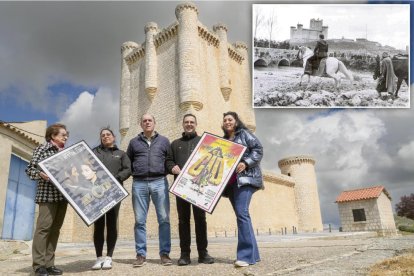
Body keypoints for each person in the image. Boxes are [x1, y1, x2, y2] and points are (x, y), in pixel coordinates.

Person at [166, 114, 215, 266]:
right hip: (182, 188)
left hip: (199, 187)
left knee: (201, 220)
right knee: (183, 220)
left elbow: (214, 162)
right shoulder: (175, 144)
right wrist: (171, 167)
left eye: (191, 122)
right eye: (186, 122)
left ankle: (203, 253)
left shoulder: (204, 142)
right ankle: (185, 254)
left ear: (196, 124)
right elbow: (168, 160)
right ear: (183, 124)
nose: (189, 124)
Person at [127, 114, 172, 267]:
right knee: (140, 221)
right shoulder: (133, 142)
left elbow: (169, 160)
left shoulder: (164, 141)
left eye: (150, 120)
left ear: (154, 123)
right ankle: (141, 254)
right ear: (141, 124)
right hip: (139, 183)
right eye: (144, 121)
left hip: (160, 182)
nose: (147, 122)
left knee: (164, 219)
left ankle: (165, 254)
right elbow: (129, 162)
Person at [25, 124, 69, 276]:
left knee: (55, 230)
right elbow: (30, 170)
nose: (66, 137)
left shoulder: (67, 153)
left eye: (66, 134)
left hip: (63, 197)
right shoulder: (42, 149)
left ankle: (49, 264)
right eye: (63, 134)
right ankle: (39, 266)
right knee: (43, 230)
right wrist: (40, 174)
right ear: (53, 136)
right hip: (47, 195)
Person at [222, 112, 263, 268]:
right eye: (225, 120)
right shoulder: (223, 140)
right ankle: (254, 255)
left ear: (236, 121)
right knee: (243, 215)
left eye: (230, 119)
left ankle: (245, 256)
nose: (227, 122)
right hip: (232, 184)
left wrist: (246, 162)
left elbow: (258, 150)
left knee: (242, 214)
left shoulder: (245, 134)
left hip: (245, 180)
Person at [91, 127, 131, 270]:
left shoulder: (121, 154)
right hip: (97, 194)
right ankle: (98, 258)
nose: (105, 137)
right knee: (99, 225)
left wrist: (117, 179)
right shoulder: (94, 152)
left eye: (108, 134)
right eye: (102, 135)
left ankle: (109, 257)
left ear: (114, 137)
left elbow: (128, 169)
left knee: (112, 223)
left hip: (114, 192)